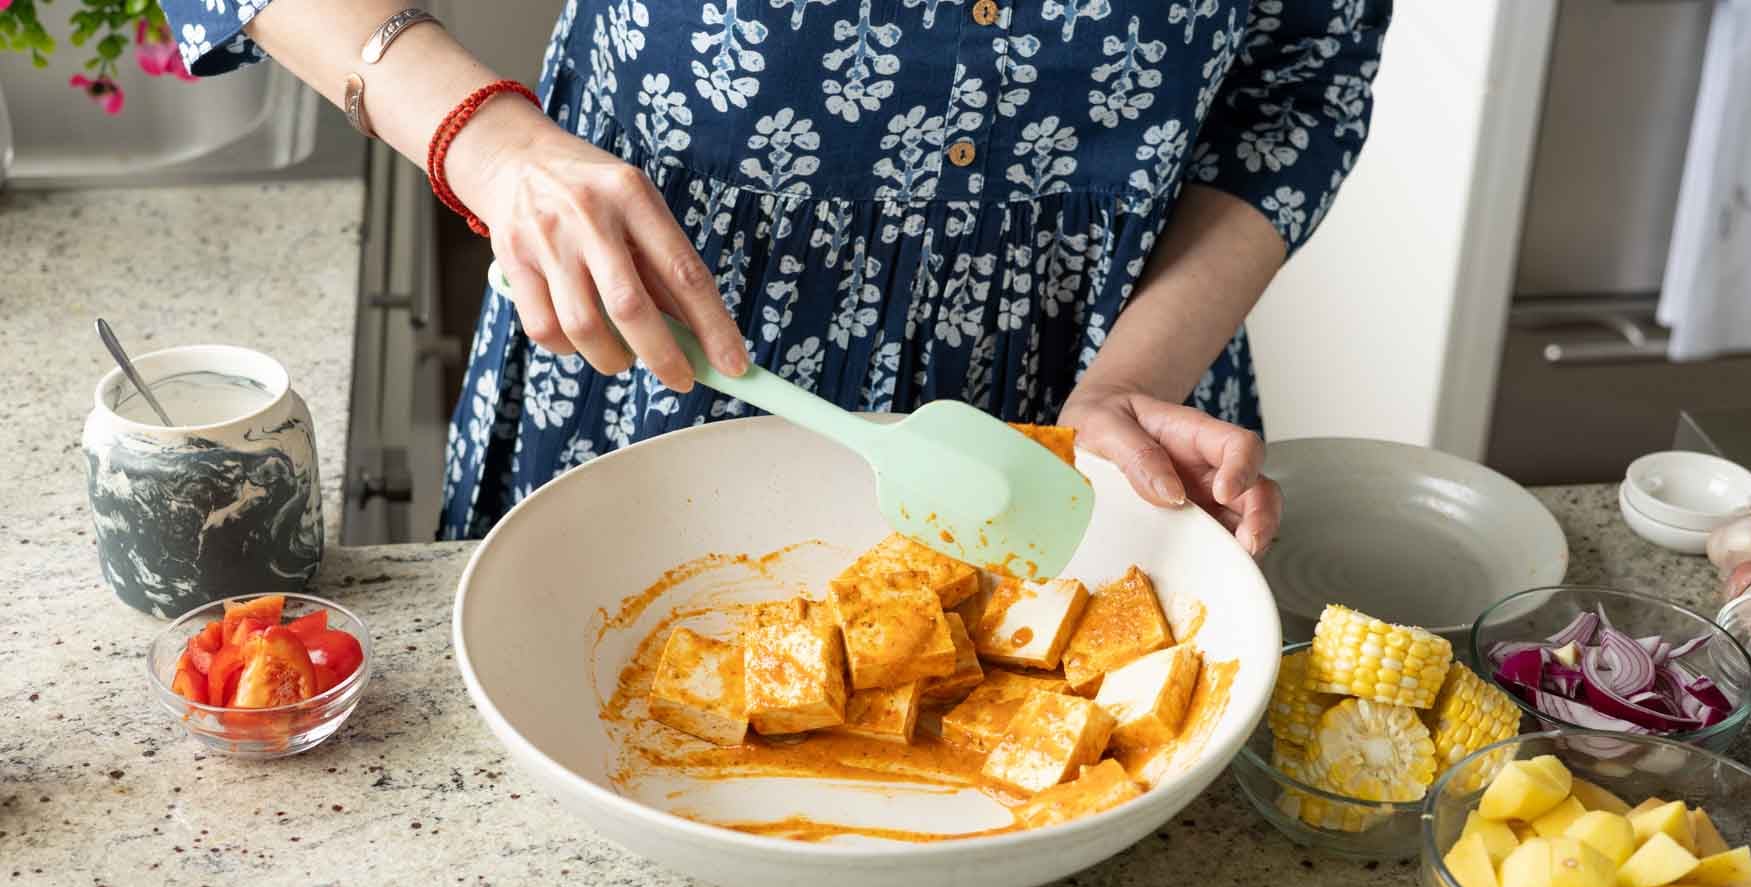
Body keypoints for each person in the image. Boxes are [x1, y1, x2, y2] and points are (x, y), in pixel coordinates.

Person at [162, 0, 1390, 554]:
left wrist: (1136, 378)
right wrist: (484, 138)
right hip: (661, 363)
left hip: (1090, 397)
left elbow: (1298, 96)